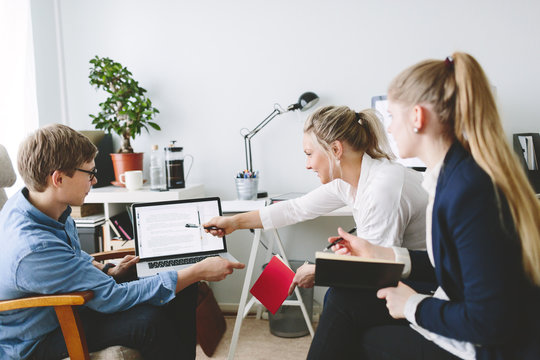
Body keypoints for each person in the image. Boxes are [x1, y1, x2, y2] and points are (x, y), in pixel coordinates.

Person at [323, 52, 540, 359]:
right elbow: (453, 265)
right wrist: (380, 254)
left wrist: (412, 305)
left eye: (393, 118)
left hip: (489, 346)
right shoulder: (452, 176)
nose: (390, 129)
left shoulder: (468, 191)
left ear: (417, 117)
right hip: (471, 320)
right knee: (344, 299)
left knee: (361, 335)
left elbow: (488, 321)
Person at [0, 124, 245, 360]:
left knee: (179, 280)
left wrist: (107, 269)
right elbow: (111, 297)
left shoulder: (40, 205)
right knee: (149, 323)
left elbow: (68, 258)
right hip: (39, 337)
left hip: (69, 304)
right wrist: (197, 271)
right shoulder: (33, 247)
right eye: (90, 173)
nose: (94, 181)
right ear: (58, 178)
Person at [204, 105, 428, 293]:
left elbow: (376, 268)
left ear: (336, 149)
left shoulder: (382, 187)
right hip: (394, 268)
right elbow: (296, 208)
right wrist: (234, 222)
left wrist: (318, 271)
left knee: (339, 295)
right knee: (337, 295)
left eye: (309, 154)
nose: (307, 165)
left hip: (425, 276)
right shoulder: (347, 181)